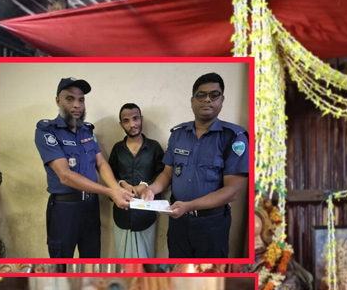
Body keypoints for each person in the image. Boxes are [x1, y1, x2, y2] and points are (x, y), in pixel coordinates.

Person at [138, 73, 249, 258]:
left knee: (209, 272)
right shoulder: (178, 134)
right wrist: (151, 189)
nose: (207, 99)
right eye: (201, 95)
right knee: (178, 269)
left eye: (214, 95)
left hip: (212, 224)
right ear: (192, 101)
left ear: (222, 100)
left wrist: (189, 206)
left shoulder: (234, 138)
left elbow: (233, 191)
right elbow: (167, 173)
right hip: (178, 222)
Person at [34, 78, 133, 258]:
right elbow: (65, 175)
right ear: (58, 101)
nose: (77, 105)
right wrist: (109, 192)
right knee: (61, 264)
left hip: (90, 207)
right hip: (65, 209)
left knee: (91, 259)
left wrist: (117, 188)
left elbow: (100, 163)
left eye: (81, 99)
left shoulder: (86, 130)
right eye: (70, 99)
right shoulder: (47, 131)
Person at [107, 103, 165, 258]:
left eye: (135, 118)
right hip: (122, 211)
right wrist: (122, 184)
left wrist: (145, 186)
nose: (132, 124)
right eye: (126, 121)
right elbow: (110, 175)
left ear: (141, 119)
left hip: (146, 214)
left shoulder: (154, 147)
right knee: (123, 260)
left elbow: (163, 174)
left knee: (145, 259)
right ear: (121, 124)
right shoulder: (117, 149)